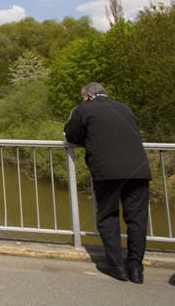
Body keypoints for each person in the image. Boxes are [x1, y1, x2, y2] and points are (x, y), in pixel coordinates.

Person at [63, 83, 152, 284]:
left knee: (108, 216)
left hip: (108, 171)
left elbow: (72, 134)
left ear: (86, 96)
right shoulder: (123, 107)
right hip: (139, 169)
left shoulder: (83, 110)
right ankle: (136, 268)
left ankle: (116, 266)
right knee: (137, 219)